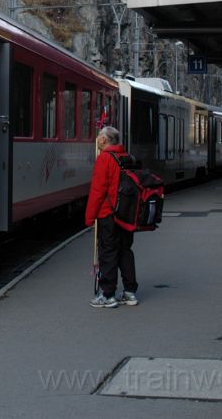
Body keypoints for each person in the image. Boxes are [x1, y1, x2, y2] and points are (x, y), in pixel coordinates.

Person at [84, 126, 138, 308]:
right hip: (126, 214)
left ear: (105, 140)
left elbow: (97, 192)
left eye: (99, 136)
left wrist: (90, 218)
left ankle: (108, 295)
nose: (97, 139)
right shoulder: (126, 158)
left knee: (107, 252)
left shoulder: (104, 159)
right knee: (125, 251)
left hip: (108, 214)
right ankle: (130, 293)